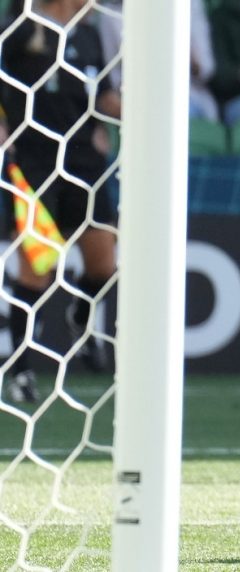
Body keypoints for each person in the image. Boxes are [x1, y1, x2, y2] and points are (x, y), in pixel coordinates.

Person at [1, 0, 122, 403]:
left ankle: (81, 320)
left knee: (104, 263)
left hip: (85, 160)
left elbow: (103, 95)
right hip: (34, 163)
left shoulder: (87, 35)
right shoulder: (21, 29)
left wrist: (144, 111)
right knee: (39, 268)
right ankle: (19, 370)